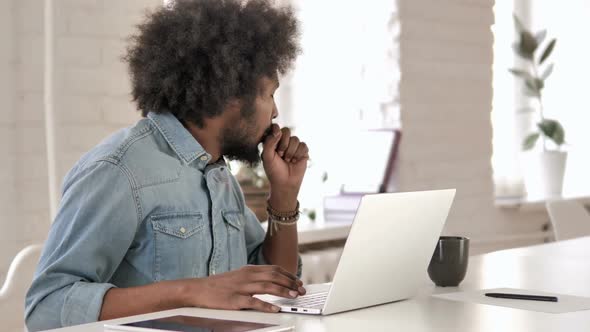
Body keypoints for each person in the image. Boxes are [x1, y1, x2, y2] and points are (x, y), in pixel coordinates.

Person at [25, 0, 308, 330]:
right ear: (231, 91)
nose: (274, 113)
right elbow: (45, 308)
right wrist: (189, 293)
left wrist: (284, 196)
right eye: (270, 95)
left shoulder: (218, 176)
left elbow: (276, 284)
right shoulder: (120, 170)